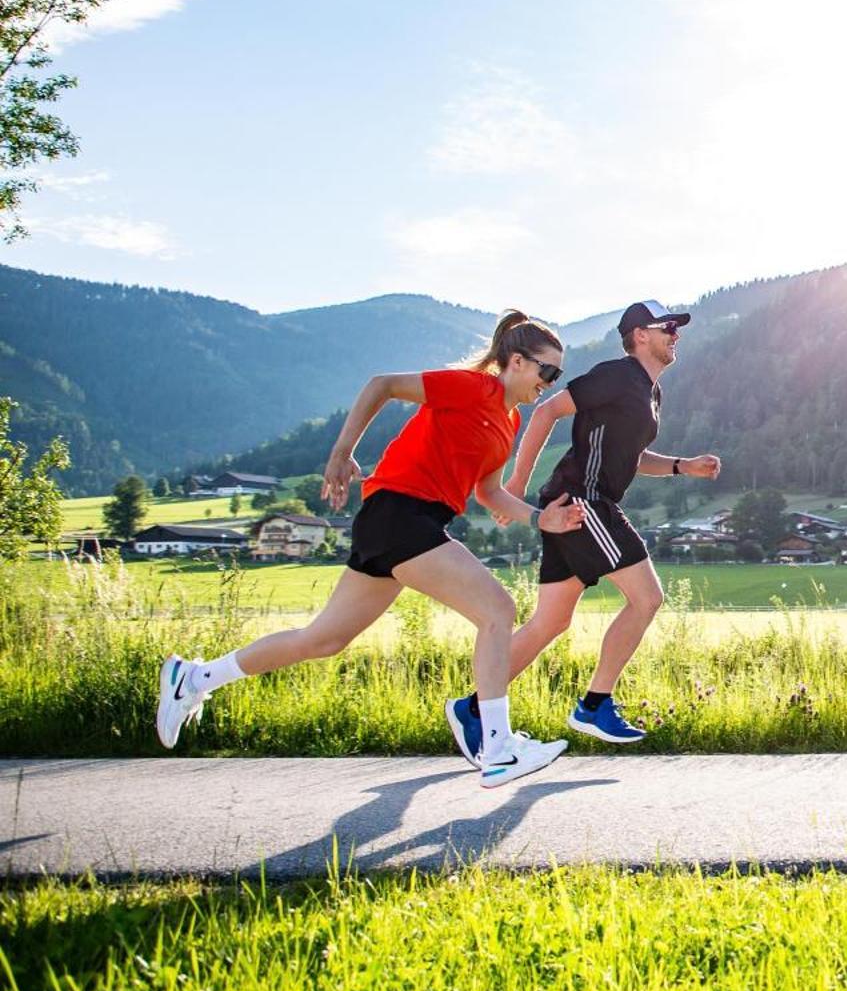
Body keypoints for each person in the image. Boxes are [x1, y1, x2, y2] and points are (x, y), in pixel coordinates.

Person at [154, 311, 589, 789]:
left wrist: (537, 518)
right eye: (547, 371)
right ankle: (498, 746)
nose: (550, 382)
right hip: (400, 514)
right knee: (497, 610)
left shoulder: (505, 421)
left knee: (322, 639)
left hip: (401, 524)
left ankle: (194, 679)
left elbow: (488, 493)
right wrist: (341, 451)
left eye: (557, 375)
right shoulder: (472, 388)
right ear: (517, 361)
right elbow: (382, 384)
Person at [445, 300, 720, 763]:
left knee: (550, 622)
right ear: (639, 335)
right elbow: (547, 412)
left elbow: (628, 456)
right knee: (648, 598)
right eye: (667, 327)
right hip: (583, 503)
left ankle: (474, 709)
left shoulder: (650, 392)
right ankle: (595, 705)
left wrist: (680, 466)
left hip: (578, 506)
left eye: (677, 328)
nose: (676, 334)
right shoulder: (617, 374)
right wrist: (515, 484)